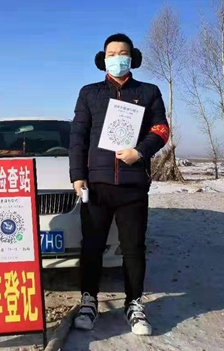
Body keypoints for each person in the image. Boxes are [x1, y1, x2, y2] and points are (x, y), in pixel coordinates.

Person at [69, 33, 170, 335]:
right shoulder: (89, 93)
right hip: (97, 186)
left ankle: (134, 303)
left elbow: (161, 130)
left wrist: (140, 152)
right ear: (103, 59)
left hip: (132, 186)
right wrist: (77, 175)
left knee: (133, 248)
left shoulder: (148, 92)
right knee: (92, 246)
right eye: (111, 54)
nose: (117, 58)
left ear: (132, 57)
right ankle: (89, 301)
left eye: (122, 53)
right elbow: (78, 137)